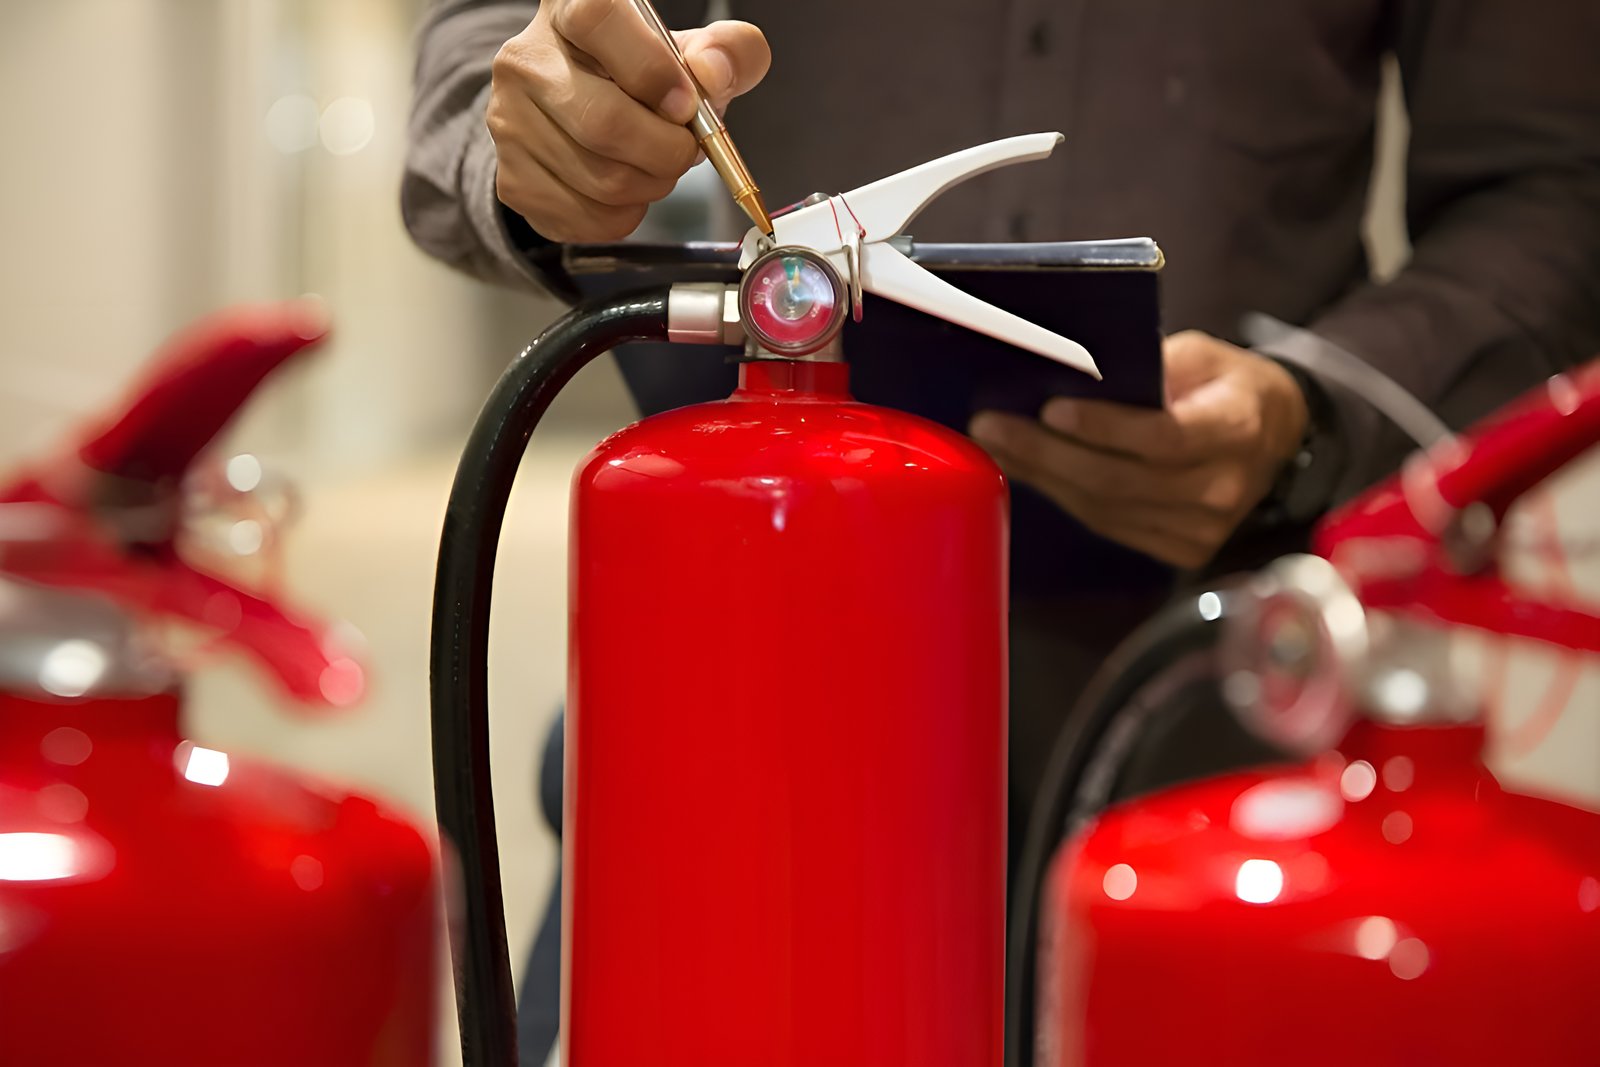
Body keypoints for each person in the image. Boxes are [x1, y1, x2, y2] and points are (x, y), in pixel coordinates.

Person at [404, 2, 1600, 1062]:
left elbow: (1556, 184)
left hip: (1210, 759)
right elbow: (487, 55)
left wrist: (1310, 410)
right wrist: (545, 132)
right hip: (716, 771)